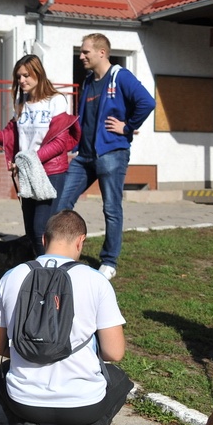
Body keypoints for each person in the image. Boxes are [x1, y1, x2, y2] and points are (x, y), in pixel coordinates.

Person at [0, 209, 134, 425]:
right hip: (84, 406)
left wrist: (32, 350)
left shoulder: (10, 277)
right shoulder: (97, 281)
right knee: (121, 380)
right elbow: (115, 352)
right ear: (81, 241)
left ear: (44, 240)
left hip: (24, 402)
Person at [53, 33, 156, 280]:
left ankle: (109, 261)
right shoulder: (88, 81)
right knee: (61, 204)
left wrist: (127, 127)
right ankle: (59, 253)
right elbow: (85, 118)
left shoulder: (120, 77)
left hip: (111, 154)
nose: (81, 56)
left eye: (85, 52)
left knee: (111, 208)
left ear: (102, 52)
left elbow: (147, 102)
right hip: (83, 157)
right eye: (81, 51)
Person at [0, 55, 80, 255]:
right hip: (27, 173)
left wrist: (27, 161)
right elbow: (12, 136)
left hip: (51, 173)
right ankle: (42, 268)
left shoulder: (56, 100)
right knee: (31, 231)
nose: (22, 81)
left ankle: (50, 271)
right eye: (18, 77)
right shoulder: (21, 102)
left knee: (40, 229)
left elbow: (59, 143)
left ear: (38, 73)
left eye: (26, 75)